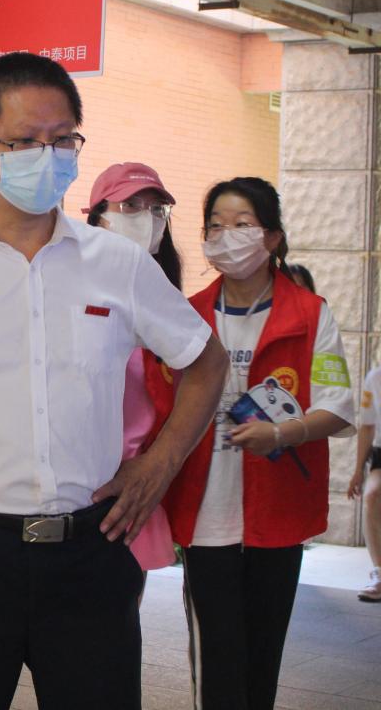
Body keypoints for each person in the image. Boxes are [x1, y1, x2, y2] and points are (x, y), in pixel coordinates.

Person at [0, 53, 228, 710]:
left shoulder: (118, 264)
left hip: (90, 551)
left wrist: (159, 465)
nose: (47, 156)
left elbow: (205, 361)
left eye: (62, 140)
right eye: (25, 141)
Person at [147, 176, 355, 710]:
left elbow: (337, 407)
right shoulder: (187, 313)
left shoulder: (309, 314)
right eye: (215, 226)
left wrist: (283, 433)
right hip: (205, 513)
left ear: (272, 238)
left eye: (242, 224)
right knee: (217, 661)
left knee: (263, 658)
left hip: (278, 512)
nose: (226, 236)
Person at [84, 163, 181, 585]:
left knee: (121, 601)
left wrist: (155, 467)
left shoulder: (171, 306)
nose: (146, 218)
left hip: (134, 488)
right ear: (97, 216)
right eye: (130, 206)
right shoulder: (73, 288)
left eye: (156, 209)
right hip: (76, 486)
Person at [350, 366, 381, 602]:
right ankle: (379, 573)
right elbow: (368, 426)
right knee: (372, 495)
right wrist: (358, 470)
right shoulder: (375, 377)